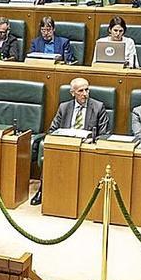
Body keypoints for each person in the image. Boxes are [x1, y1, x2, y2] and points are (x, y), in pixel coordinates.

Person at [31, 77, 111, 205]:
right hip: (66, 146)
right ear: (72, 93)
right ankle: (43, 190)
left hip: (86, 148)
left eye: (87, 90)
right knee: (50, 154)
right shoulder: (64, 107)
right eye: (80, 91)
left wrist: (91, 141)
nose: (85, 94)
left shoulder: (98, 107)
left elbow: (104, 134)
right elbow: (52, 130)